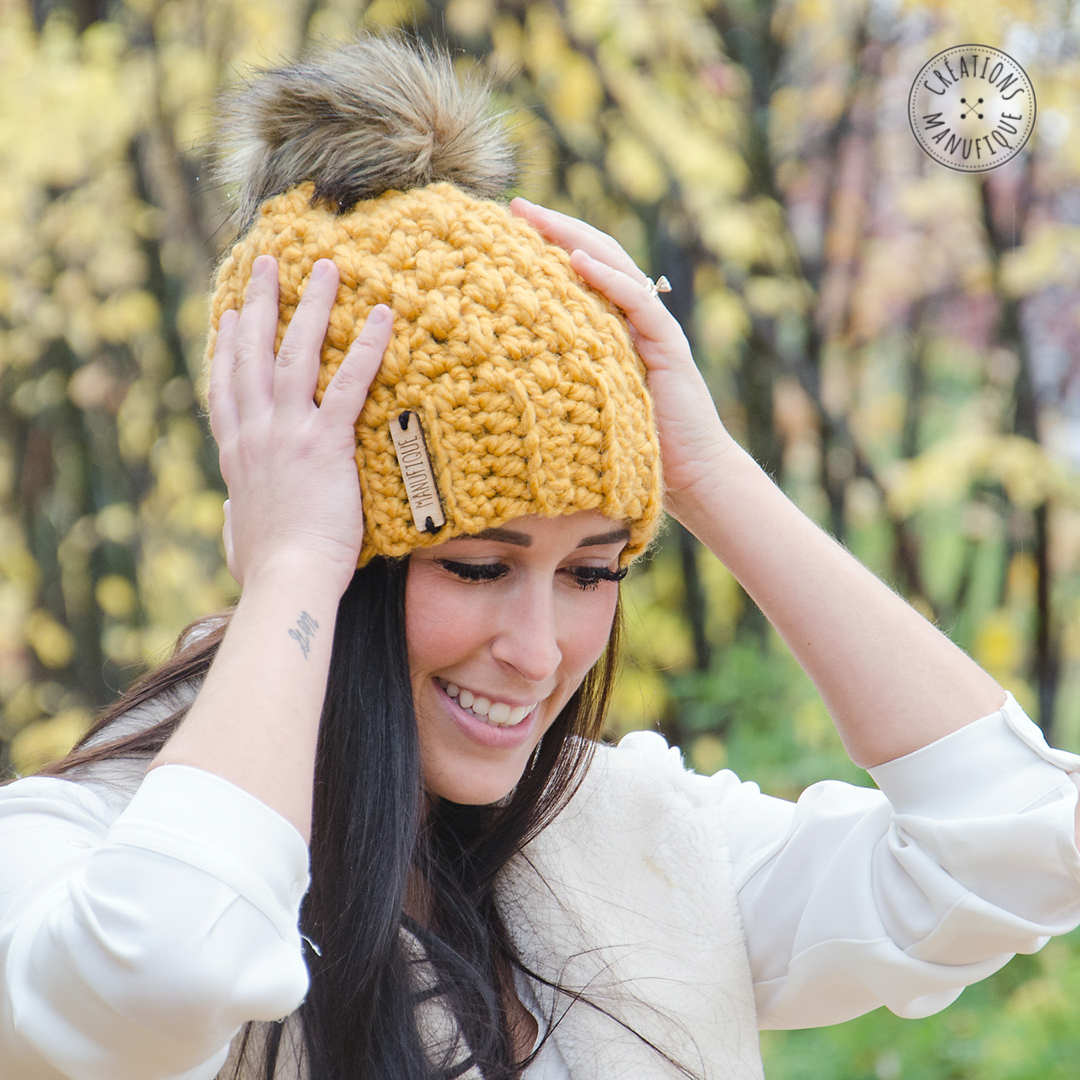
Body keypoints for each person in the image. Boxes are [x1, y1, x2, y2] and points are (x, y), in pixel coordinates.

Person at [2, 32, 1079, 1080]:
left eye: (592, 572)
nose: (536, 650)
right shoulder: (81, 858)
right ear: (339, 556)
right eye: (477, 566)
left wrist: (708, 473)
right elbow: (162, 976)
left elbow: (1016, 845)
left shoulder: (645, 847)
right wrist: (290, 572)